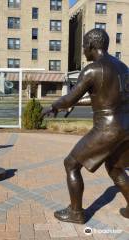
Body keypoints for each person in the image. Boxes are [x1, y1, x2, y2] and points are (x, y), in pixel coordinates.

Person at [42, 28, 129, 224]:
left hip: (107, 128)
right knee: (115, 168)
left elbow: (69, 98)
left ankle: (76, 213)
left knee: (71, 164)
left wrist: (55, 105)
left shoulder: (92, 69)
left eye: (83, 46)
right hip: (126, 127)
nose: (82, 50)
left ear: (90, 45)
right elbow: (103, 97)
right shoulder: (123, 68)